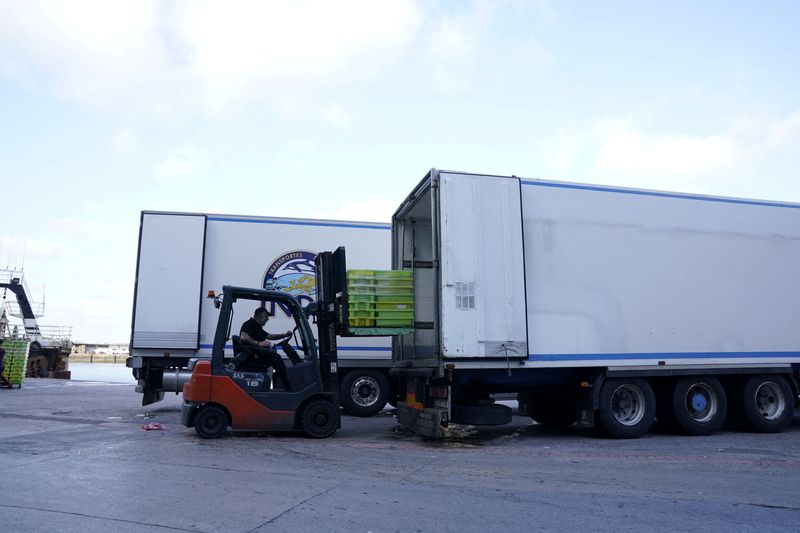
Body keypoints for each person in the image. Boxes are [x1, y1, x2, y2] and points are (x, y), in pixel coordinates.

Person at [227, 307, 294, 390]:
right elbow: (244, 337)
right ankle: (288, 386)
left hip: (256, 354)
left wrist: (284, 335)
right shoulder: (249, 324)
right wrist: (259, 343)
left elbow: (270, 336)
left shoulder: (257, 327)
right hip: (253, 356)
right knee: (276, 358)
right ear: (260, 316)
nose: (267, 319)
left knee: (275, 357)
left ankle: (284, 384)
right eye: (267, 317)